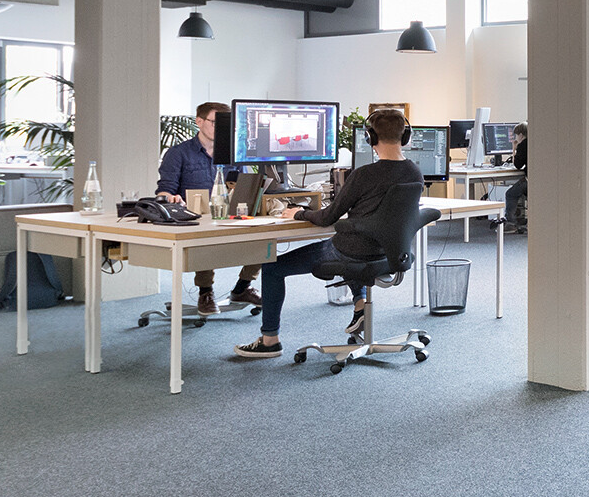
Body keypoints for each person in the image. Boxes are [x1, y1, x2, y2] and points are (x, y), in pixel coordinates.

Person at [234, 108, 425, 359]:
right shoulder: (415, 172)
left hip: (352, 252)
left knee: (273, 268)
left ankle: (270, 340)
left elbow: (327, 217)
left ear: (370, 138)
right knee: (351, 245)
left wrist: (297, 213)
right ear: (405, 137)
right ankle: (360, 305)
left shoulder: (364, 175)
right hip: (385, 253)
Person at [156, 101, 259, 314]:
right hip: (195, 218)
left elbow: (248, 184)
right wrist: (172, 199)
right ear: (199, 122)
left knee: (264, 238)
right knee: (204, 237)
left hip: (231, 215)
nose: (221, 129)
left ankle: (242, 288)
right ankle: (205, 292)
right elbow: (164, 191)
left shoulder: (235, 153)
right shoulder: (179, 153)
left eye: (226, 124)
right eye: (215, 122)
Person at [504, 123, 529, 234]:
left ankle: (511, 224)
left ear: (521, 135)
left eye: (516, 135)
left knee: (510, 194)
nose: (515, 138)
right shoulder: (534, 142)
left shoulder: (523, 144)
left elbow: (518, 164)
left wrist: (514, 149)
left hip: (529, 180)